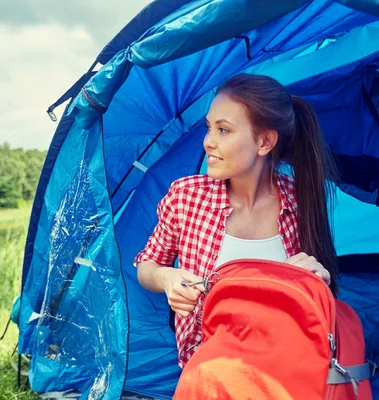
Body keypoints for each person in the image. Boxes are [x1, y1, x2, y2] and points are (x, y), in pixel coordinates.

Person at [134, 73, 339, 368]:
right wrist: (167, 279)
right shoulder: (186, 197)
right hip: (209, 370)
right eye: (209, 128)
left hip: (286, 365)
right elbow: (147, 265)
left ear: (265, 142)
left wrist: (318, 279)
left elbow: (322, 293)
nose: (208, 142)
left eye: (224, 130)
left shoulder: (299, 198)